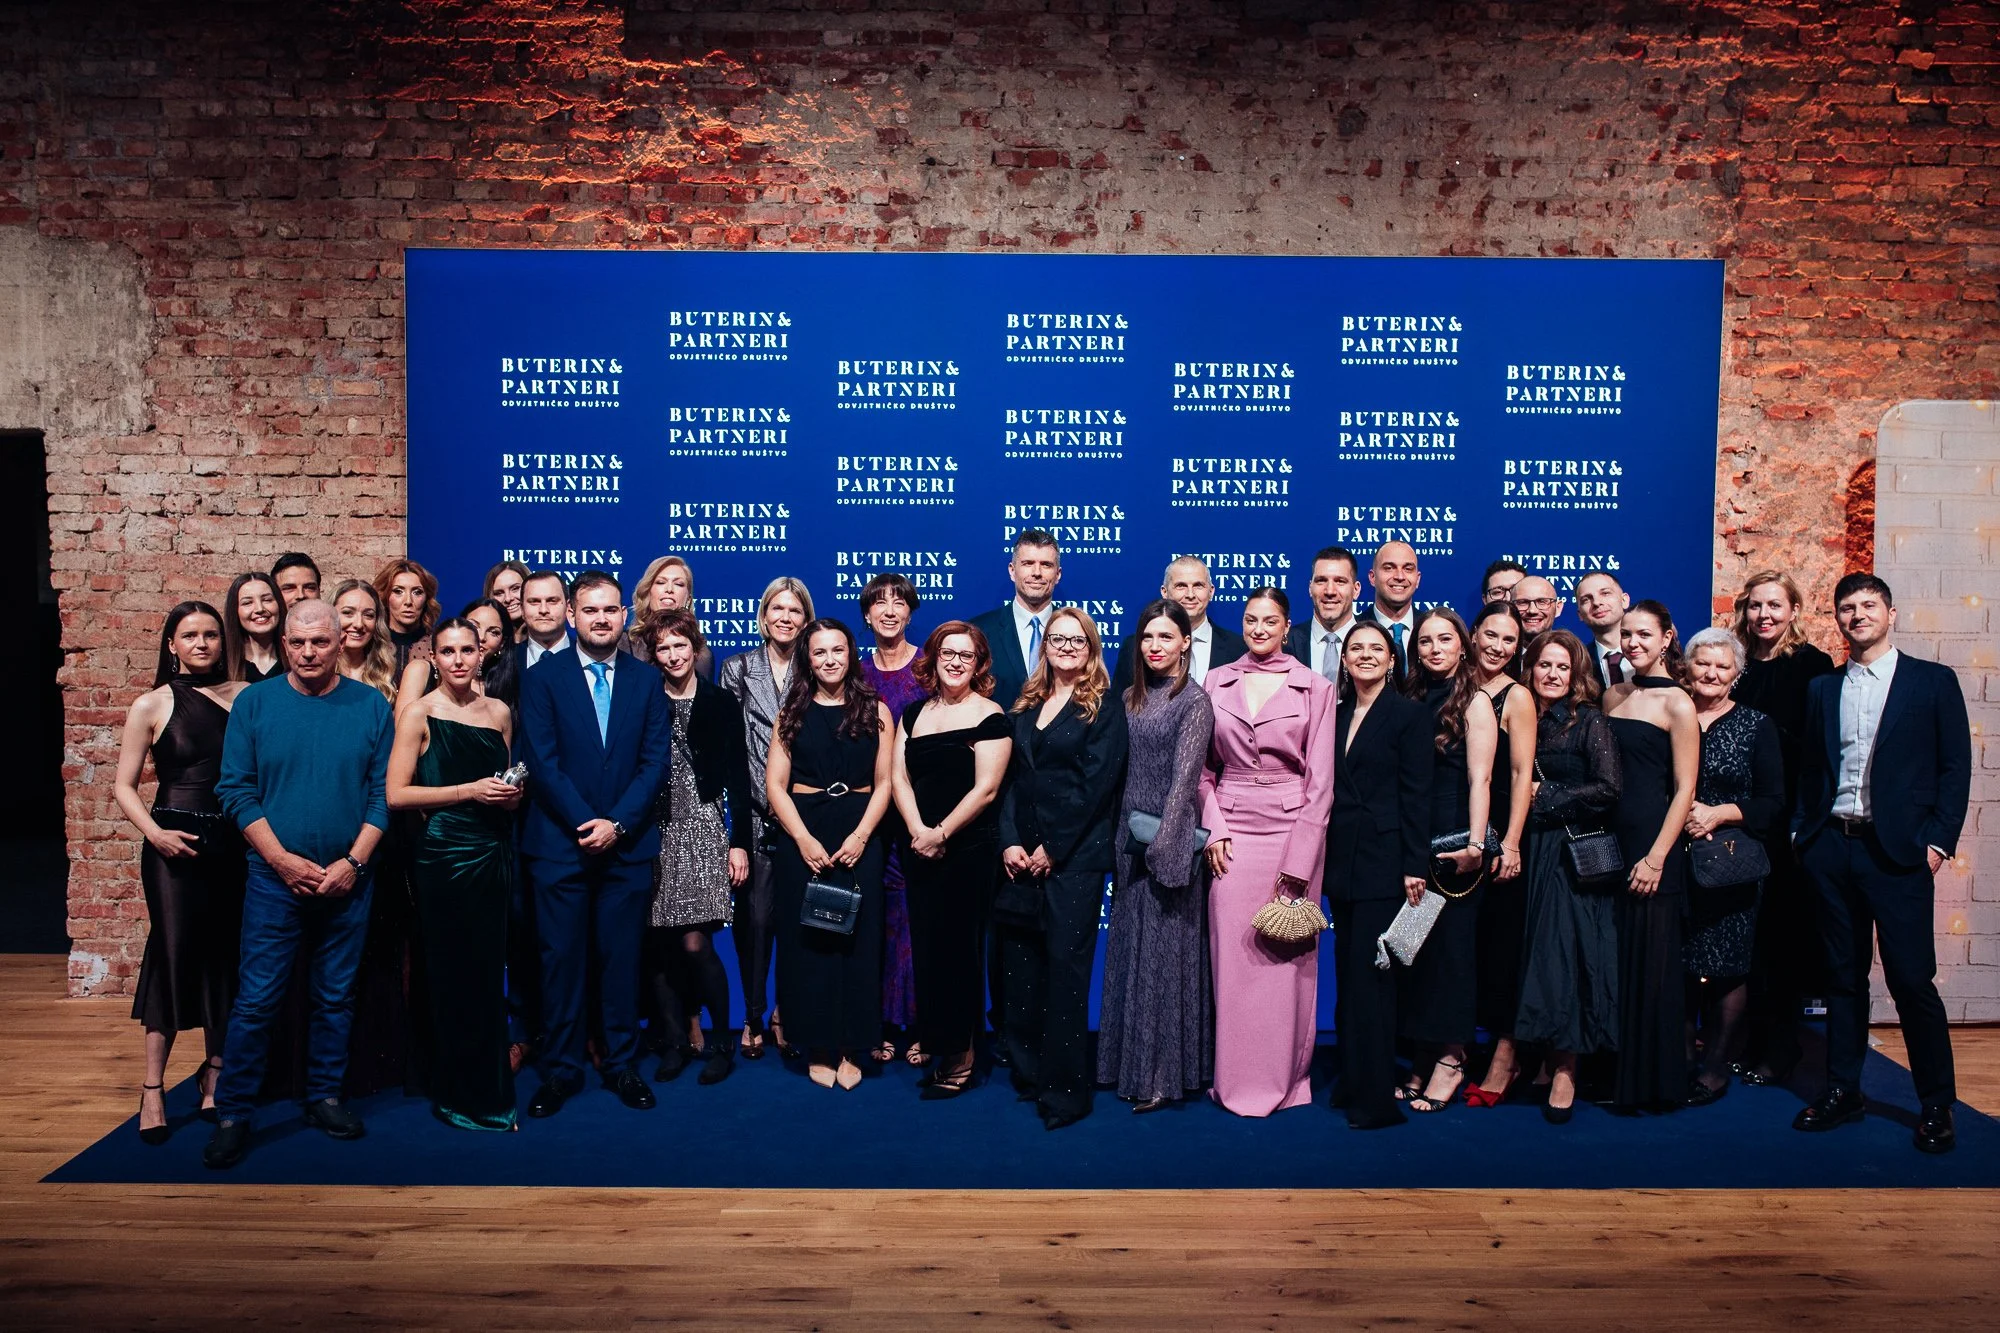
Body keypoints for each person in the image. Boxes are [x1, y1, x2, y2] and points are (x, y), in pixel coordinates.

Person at [203, 599, 394, 1170]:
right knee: (258, 999)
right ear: (284, 644)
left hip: (348, 877)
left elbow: (382, 795)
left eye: (320, 642)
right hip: (272, 877)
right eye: (297, 642)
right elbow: (235, 790)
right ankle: (234, 1112)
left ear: (341, 644)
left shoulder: (369, 707)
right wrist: (282, 861)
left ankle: (324, 1097)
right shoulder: (255, 704)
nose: (308, 652)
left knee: (335, 996)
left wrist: (353, 864)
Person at [1792, 574, 1970, 1154]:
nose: (1857, 615)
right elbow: (1812, 769)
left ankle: (1936, 1104)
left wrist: (1938, 840)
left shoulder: (1932, 682)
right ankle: (1845, 1091)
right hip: (1832, 848)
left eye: (1869, 605)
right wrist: (1804, 832)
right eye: (1847, 608)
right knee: (1842, 980)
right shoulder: (1822, 688)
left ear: (1891, 613)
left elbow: (1954, 768)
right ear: (1837, 619)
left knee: (1912, 980)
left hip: (1898, 854)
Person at [517, 570, 674, 1118]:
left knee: (621, 961)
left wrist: (618, 825)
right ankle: (561, 1070)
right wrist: (589, 823)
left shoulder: (646, 680)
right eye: (591, 611)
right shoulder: (542, 679)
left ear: (623, 617)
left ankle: (622, 1065)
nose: (602, 619)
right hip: (560, 845)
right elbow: (541, 761)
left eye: (611, 610)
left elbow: (656, 763)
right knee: (560, 963)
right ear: (571, 616)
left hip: (626, 847)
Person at [1201, 587, 1338, 1117]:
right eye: (1251, 619)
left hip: (1290, 837)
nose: (1260, 629)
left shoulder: (1316, 687)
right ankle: (1233, 1079)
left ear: (1288, 627)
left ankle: (1285, 1080)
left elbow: (1320, 784)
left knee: (1285, 965)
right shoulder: (1216, 681)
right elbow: (1201, 772)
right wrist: (1213, 831)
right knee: (1233, 963)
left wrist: (1299, 864)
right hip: (1230, 835)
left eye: (1271, 621)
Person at [113, 601, 246, 1143]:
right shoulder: (151, 704)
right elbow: (124, 785)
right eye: (189, 635)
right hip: (172, 845)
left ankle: (214, 1074)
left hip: (232, 841)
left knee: (223, 956)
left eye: (211, 634)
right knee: (171, 955)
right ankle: (152, 1087)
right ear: (171, 643)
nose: (202, 643)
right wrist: (155, 834)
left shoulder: (245, 696)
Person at [386, 618, 523, 1131]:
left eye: (468, 649)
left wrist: (511, 796)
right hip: (442, 857)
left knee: (489, 975)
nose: (460, 659)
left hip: (493, 853)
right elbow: (397, 795)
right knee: (450, 974)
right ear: (435, 659)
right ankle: (458, 1093)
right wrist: (469, 791)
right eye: (448, 651)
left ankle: (490, 1087)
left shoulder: (500, 713)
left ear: (483, 654)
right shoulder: (419, 714)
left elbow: (503, 787)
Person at [998, 607, 1129, 1129]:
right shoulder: (1027, 704)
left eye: (1077, 639)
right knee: (1022, 971)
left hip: (1073, 859)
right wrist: (1009, 841)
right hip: (1020, 859)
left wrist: (1052, 847)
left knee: (1065, 973)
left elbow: (1096, 787)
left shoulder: (1103, 707)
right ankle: (1030, 1075)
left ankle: (1066, 1092)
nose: (1067, 646)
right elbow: (1010, 780)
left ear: (1092, 647)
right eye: (1057, 638)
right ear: (1045, 644)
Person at [1097, 600, 1216, 1112]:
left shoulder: (1195, 702)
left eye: (1167, 637)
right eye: (1148, 638)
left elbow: (1183, 783)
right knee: (1131, 954)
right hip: (1128, 841)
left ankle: (1165, 1076)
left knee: (1167, 961)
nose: (1156, 646)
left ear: (1186, 643)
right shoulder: (1127, 697)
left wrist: (1164, 850)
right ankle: (1125, 1066)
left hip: (1168, 845)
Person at [767, 618, 895, 1090]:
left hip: (860, 831)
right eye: (819, 652)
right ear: (808, 658)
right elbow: (774, 786)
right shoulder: (791, 712)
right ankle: (816, 1044)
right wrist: (801, 838)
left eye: (837, 650)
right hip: (805, 830)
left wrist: (862, 836)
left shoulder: (876, 709)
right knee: (810, 943)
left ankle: (851, 1045)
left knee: (857, 941)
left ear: (850, 653)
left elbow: (885, 783)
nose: (829, 660)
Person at [892, 621, 1012, 1099]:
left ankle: (962, 1055)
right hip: (920, 850)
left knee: (960, 954)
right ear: (934, 658)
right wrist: (920, 832)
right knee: (927, 951)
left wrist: (941, 832)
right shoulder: (914, 713)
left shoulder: (991, 715)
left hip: (967, 853)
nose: (956, 661)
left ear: (980, 663)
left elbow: (986, 791)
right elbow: (898, 778)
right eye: (948, 652)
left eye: (967, 654)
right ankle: (938, 1041)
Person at [1729, 569, 1838, 1085]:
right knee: (1743, 938)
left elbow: (1823, 750)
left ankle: (1781, 1046)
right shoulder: (1735, 666)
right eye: (1755, 606)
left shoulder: (1813, 667)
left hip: (1788, 822)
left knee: (1782, 939)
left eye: (1774, 605)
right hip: (1738, 818)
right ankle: (1745, 1039)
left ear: (1794, 610)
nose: (1764, 615)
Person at [1323, 621, 1432, 1129]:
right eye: (1356, 649)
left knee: (1374, 981)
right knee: (1348, 977)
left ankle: (1375, 1100)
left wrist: (1415, 865)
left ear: (1392, 661)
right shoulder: (1336, 712)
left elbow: (1417, 794)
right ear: (1344, 660)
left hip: (1387, 865)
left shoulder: (1408, 715)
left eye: (1376, 649)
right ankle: (1351, 1080)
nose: (1365, 656)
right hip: (1342, 865)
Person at [1510, 630, 1621, 1126]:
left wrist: (1545, 794)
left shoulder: (1587, 721)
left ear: (1576, 676)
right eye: (1544, 666)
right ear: (1529, 668)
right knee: (1533, 955)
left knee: (1566, 958)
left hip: (1566, 852)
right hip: (1524, 851)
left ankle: (1566, 1068)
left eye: (1563, 668)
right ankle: (1536, 1055)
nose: (1552, 675)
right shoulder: (1518, 713)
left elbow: (1608, 787)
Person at [643, 609, 750, 1087]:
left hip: (706, 828)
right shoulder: (645, 700)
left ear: (695, 647)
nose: (672, 656)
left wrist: (739, 844)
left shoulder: (722, 701)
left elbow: (740, 780)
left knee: (695, 942)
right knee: (664, 946)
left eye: (679, 645)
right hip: (657, 831)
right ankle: (673, 1044)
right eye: (663, 648)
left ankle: (723, 1042)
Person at [1397, 608, 1497, 1113]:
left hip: (1456, 846)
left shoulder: (1476, 701)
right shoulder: (1411, 697)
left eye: (1445, 639)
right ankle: (1422, 1053)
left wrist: (1477, 846)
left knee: (1453, 958)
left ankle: (1453, 1060)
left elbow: (1481, 780)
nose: (1435, 648)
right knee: (1416, 955)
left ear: (1464, 646)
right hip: (1415, 843)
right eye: (1426, 641)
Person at [1601, 600, 1699, 1114]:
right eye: (1627, 635)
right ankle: (1616, 1075)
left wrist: (1658, 857)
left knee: (1654, 964)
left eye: (1644, 634)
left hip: (1652, 846)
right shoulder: (1612, 694)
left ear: (1667, 639)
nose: (1634, 643)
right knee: (1617, 958)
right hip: (1609, 844)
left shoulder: (1679, 704)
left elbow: (1684, 790)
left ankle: (1656, 1084)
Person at [1680, 627, 1784, 1106]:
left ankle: (1716, 1068)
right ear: (1687, 666)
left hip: (1729, 864)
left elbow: (1772, 802)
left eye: (1723, 667)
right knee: (1678, 966)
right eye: (1703, 663)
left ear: (1737, 675)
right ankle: (1679, 1061)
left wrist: (1717, 814)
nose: (1712, 673)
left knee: (1726, 968)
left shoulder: (1756, 725)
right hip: (1671, 859)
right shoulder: (1672, 714)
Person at [718, 575, 812, 1058]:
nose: (785, 618)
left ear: (805, 619)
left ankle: (787, 1015)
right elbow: (731, 750)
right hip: (753, 813)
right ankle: (752, 1016)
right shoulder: (736, 669)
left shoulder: (816, 668)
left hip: (805, 816)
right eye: (777, 608)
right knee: (753, 922)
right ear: (763, 615)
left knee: (800, 923)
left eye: (794, 611)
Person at [1465, 602, 1537, 1105]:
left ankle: (1507, 1056)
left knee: (1504, 951)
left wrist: (1510, 842)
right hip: (1457, 838)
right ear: (1474, 634)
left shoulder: (1518, 696)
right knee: (1466, 952)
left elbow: (1521, 777)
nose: (1497, 647)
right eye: (1491, 635)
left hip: (1502, 841)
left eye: (1509, 641)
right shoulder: (1454, 684)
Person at [858, 572, 927, 1062]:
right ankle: (877, 1020)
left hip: (924, 812)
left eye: (898, 602)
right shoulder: (854, 673)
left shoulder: (930, 668)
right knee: (875, 919)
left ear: (909, 611)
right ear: (866, 615)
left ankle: (926, 1024)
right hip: (870, 814)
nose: (888, 610)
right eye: (879, 603)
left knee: (922, 920)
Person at [1110, 556, 1245, 689]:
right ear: (1165, 592)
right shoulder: (1134, 646)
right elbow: (1117, 706)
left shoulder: (1238, 648)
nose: (1190, 595)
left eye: (1198, 585)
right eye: (1181, 586)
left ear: (1211, 591)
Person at [968, 528, 1062, 709]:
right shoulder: (979, 631)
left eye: (1046, 565)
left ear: (1057, 574)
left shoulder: (1076, 631)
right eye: (1027, 563)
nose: (1037, 572)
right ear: (1012, 570)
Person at [626, 555, 713, 679]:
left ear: (688, 599)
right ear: (647, 592)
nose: (669, 589)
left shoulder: (701, 654)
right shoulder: (625, 644)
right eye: (661, 582)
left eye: (678, 584)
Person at [1284, 545, 1360, 686]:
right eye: (1321, 581)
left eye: (1340, 581)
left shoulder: (1379, 643)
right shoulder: (1285, 643)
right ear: (1310, 588)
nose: (1330, 591)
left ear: (1356, 590)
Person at [331, 578, 398, 703]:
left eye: (368, 615)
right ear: (330, 616)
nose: (359, 624)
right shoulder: (317, 671)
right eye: (348, 613)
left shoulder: (389, 672)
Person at [375, 558, 442, 675]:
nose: (408, 601)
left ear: (427, 598)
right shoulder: (372, 644)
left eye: (417, 592)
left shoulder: (438, 644)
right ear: (385, 596)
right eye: (398, 591)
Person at [1366, 540, 1421, 673]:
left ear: (1417, 579)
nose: (1399, 577)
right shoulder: (1354, 628)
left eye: (1408, 569)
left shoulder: (1430, 628)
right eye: (1389, 568)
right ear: (1372, 577)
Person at [223, 571, 285, 683]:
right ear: (235, 611)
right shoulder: (222, 664)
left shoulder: (296, 658)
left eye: (267, 600)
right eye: (247, 603)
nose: (259, 609)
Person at [460, 596, 519, 711]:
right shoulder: (425, 672)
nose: (481, 637)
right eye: (474, 626)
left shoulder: (507, 690)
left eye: (493, 632)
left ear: (502, 643)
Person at [1575, 570, 1631, 689]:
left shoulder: (1654, 654)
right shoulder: (1577, 664)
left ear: (1624, 600)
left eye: (1605, 593)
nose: (1596, 603)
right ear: (1580, 614)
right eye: (1586, 599)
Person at [515, 570, 574, 670]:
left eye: (552, 601)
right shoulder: (503, 661)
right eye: (534, 602)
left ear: (568, 608)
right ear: (522, 609)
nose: (543, 610)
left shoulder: (590, 657)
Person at [482, 559, 530, 633]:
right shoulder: (483, 641)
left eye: (515, 588)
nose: (508, 599)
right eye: (498, 593)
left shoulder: (551, 639)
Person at [1509, 575, 1563, 641]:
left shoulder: (1572, 651)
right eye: (1523, 602)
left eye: (1541, 602)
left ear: (1558, 608)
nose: (1532, 611)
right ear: (1511, 608)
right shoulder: (1499, 649)